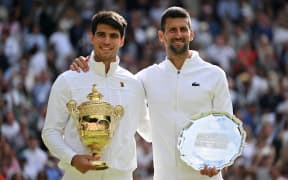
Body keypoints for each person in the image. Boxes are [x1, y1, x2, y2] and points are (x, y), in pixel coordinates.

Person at [70, 7, 233, 179]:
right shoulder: (145, 77)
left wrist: (219, 161)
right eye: (172, 30)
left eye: (183, 29)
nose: (178, 34)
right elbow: (109, 80)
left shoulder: (215, 75)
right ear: (161, 36)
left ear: (191, 34)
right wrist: (88, 65)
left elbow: (227, 127)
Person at [42, 11, 151, 180]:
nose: (107, 41)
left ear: (122, 41)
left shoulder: (133, 84)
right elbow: (50, 132)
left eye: (113, 36)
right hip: (78, 175)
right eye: (101, 34)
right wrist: (73, 158)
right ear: (91, 37)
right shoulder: (69, 79)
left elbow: (149, 131)